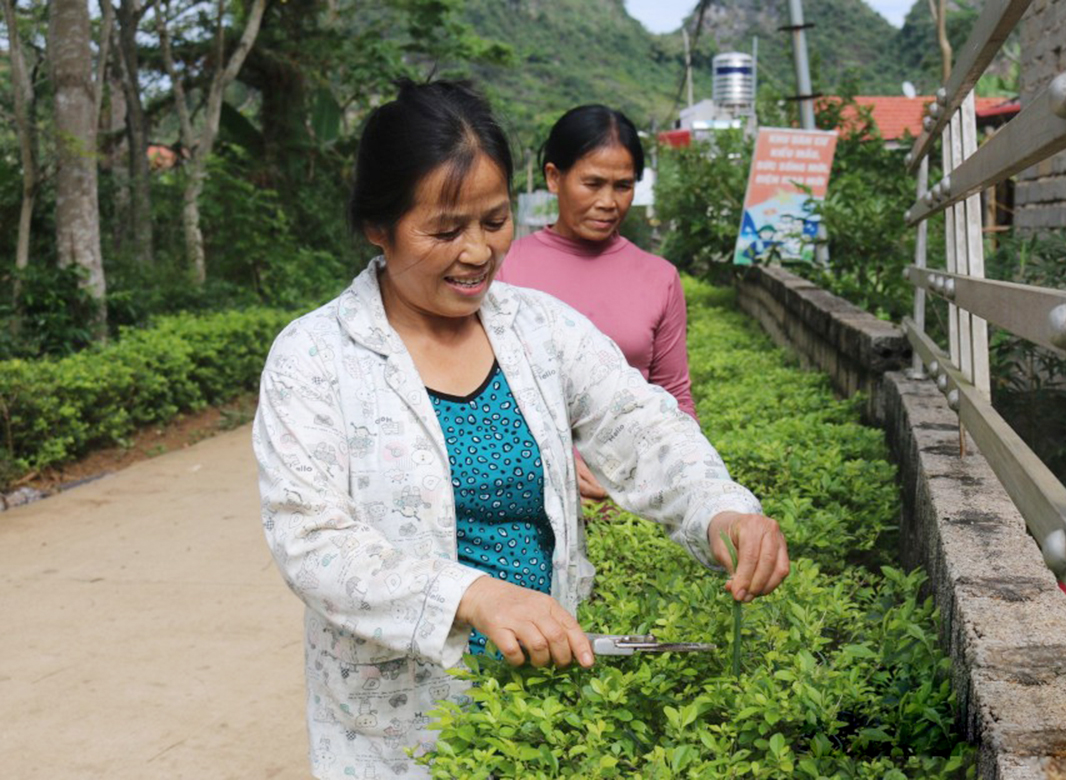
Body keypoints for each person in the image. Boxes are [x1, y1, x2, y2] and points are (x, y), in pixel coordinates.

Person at [252, 80, 790, 780]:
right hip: (395, 727)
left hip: (542, 704)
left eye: (495, 221)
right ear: (377, 227)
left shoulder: (541, 328)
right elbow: (311, 539)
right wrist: (472, 596)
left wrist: (722, 509)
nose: (477, 252)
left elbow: (641, 423)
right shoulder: (314, 356)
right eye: (445, 230)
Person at [497, 105, 693, 500]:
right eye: (592, 183)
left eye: (623, 186)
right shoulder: (502, 268)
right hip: (527, 495)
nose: (609, 201)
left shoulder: (659, 277)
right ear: (554, 177)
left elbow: (674, 396)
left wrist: (692, 483)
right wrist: (557, 456)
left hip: (634, 504)